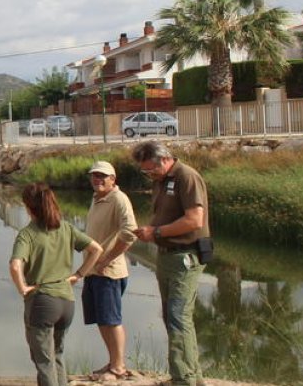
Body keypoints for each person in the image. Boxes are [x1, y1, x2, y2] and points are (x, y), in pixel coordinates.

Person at [132, 141, 210, 386]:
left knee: (179, 316)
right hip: (166, 256)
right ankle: (190, 375)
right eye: (145, 171)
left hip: (184, 256)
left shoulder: (187, 177)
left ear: (164, 160)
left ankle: (183, 378)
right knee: (171, 316)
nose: (149, 175)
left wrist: (155, 232)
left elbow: (194, 220)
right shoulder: (161, 180)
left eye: (151, 170)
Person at [9, 183, 102, 386]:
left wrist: (22, 288)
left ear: (28, 206)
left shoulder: (28, 234)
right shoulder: (66, 228)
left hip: (42, 302)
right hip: (67, 301)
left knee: (43, 361)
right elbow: (96, 249)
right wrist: (79, 274)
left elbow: (16, 266)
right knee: (57, 353)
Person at [82, 160, 138, 382]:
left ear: (113, 179)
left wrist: (107, 258)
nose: (98, 179)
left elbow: (130, 233)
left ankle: (118, 367)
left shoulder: (119, 198)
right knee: (101, 319)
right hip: (93, 271)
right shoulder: (97, 198)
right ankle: (113, 362)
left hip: (109, 272)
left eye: (103, 176)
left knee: (111, 319)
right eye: (94, 175)